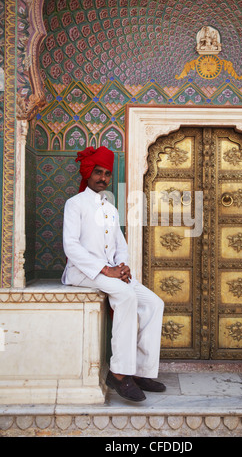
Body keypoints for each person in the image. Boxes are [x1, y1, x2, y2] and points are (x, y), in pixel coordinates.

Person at [61, 146, 165, 402]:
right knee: (127, 296)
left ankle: (141, 371)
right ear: (88, 173)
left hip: (109, 273)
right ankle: (118, 373)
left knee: (154, 303)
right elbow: (70, 245)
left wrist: (123, 265)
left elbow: (120, 245)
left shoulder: (110, 208)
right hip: (82, 272)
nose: (103, 178)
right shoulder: (74, 204)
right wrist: (106, 269)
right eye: (98, 172)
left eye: (107, 174)